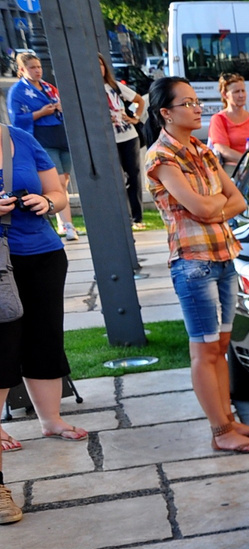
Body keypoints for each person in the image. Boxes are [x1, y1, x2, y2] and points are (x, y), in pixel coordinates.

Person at [144, 77, 249, 455]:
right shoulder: (161, 157)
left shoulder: (201, 148)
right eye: (189, 103)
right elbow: (201, 207)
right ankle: (220, 431)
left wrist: (212, 205)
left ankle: (228, 420)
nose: (199, 108)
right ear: (165, 112)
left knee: (222, 346)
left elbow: (238, 201)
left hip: (224, 255)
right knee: (204, 349)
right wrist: (213, 205)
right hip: (193, 262)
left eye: (198, 102)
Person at [0, 120, 87, 463]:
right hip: (1, 262)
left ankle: (51, 420)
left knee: (45, 336)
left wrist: (46, 202)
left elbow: (58, 192)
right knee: (4, 340)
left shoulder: (20, 137)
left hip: (43, 253)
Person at [8, 51, 77, 240]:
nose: (38, 71)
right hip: (40, 137)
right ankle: (66, 223)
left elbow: (64, 108)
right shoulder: (18, 91)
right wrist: (40, 112)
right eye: (32, 67)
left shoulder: (48, 88)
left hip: (59, 135)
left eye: (39, 67)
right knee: (57, 180)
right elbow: (16, 120)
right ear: (22, 70)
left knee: (65, 179)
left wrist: (60, 109)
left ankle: (63, 221)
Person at [99, 53, 148, 230]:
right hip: (107, 138)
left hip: (128, 135)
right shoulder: (90, 92)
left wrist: (135, 117)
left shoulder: (114, 86)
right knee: (116, 177)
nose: (99, 69)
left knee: (133, 175)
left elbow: (139, 100)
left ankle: (137, 218)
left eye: (101, 65)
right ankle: (123, 216)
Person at [208, 73, 249, 167]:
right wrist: (248, 160)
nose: (241, 95)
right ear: (224, 94)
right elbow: (222, 149)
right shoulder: (218, 119)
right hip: (233, 170)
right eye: (236, 92)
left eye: (243, 91)